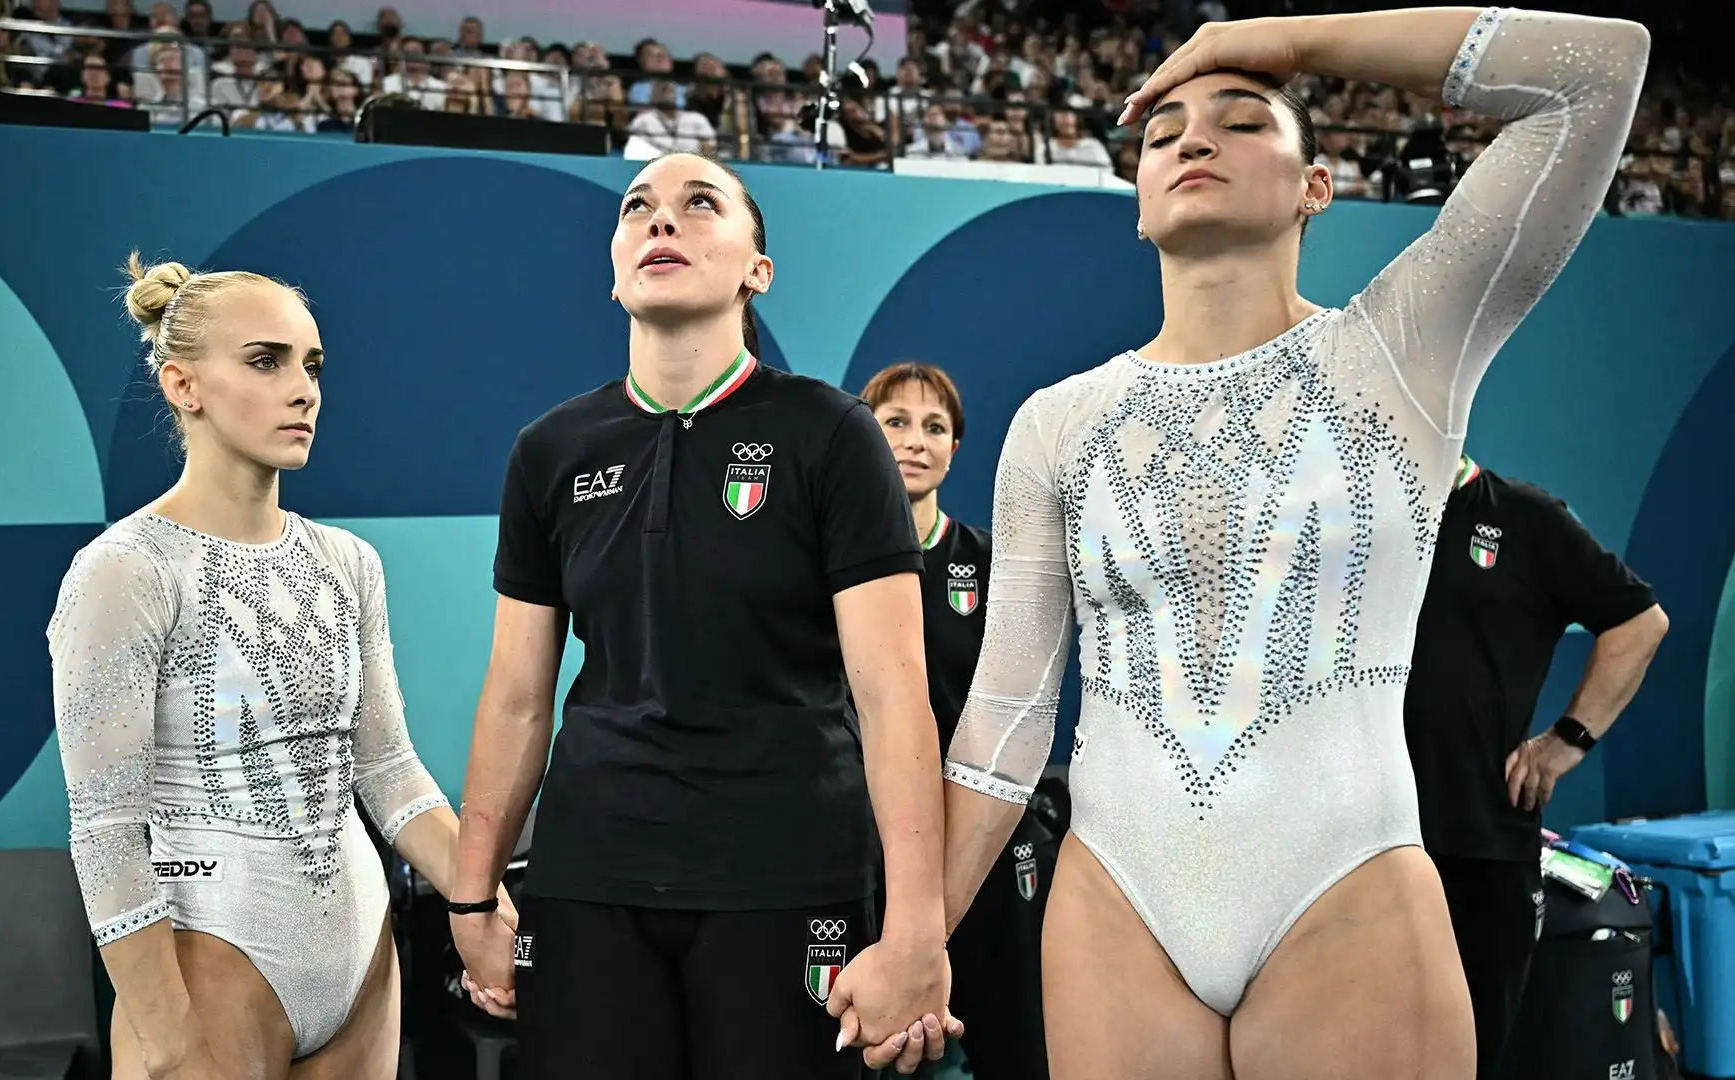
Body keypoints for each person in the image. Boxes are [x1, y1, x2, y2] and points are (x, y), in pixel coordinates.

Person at [900, 7, 1651, 1080]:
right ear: (1139, 206)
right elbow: (1009, 721)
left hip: (1346, 890)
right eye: (1162, 136)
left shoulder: (1399, 351)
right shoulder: (1055, 423)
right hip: (1117, 903)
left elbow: (1598, 70)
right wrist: (921, 936)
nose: (1193, 139)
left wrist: (1280, 41)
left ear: (1317, 187)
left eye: (1243, 121)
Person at [445, 152, 961, 1080]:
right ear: (613, 270)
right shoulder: (549, 450)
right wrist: (471, 900)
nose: (661, 221)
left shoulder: (831, 432)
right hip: (590, 875)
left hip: (786, 872)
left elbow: (894, 696)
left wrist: (917, 930)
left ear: (756, 270)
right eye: (639, 206)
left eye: (698, 204)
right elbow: (517, 698)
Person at [48, 254, 512, 1079]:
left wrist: (478, 902)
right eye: (266, 361)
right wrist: (161, 1031)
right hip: (212, 954)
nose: (304, 388)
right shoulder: (126, 569)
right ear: (183, 386)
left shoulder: (349, 562)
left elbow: (389, 769)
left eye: (312, 364)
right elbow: (106, 828)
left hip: (363, 952)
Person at [1404, 454, 1668, 1078]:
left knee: (1470, 1058)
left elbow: (1639, 622)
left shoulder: (1521, 517)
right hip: (1350, 848)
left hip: (1480, 847)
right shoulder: (1343, 519)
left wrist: (1566, 740)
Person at [860, 361, 1053, 1080]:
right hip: (873, 846)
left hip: (993, 844)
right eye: (896, 422)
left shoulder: (992, 564)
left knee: (1017, 1045)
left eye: (934, 427)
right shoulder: (828, 572)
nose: (915, 441)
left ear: (955, 448)